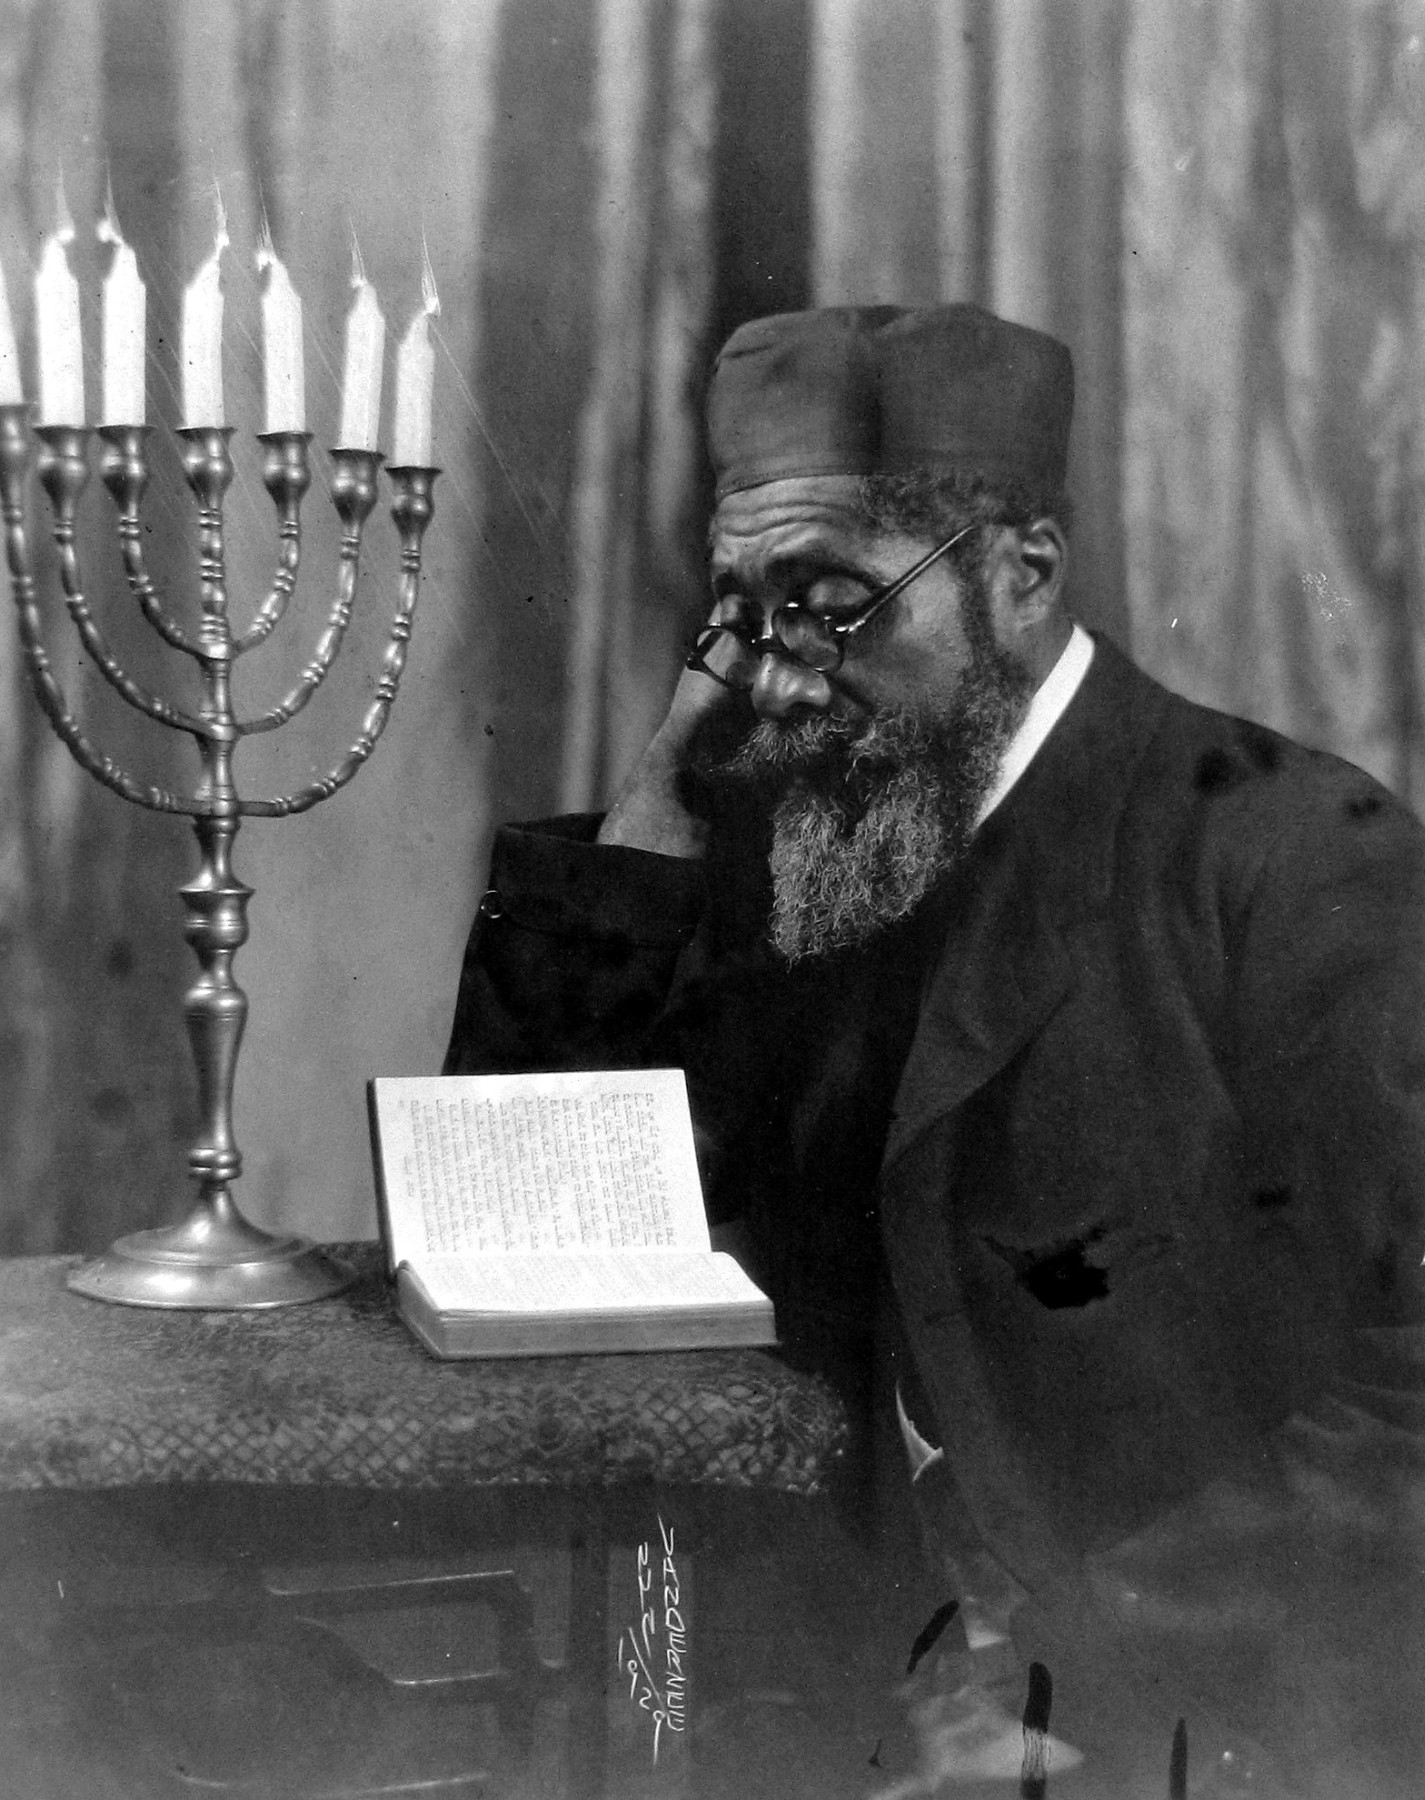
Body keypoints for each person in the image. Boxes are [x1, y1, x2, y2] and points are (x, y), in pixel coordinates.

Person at [444, 306, 1425, 1795]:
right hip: (839, 1701)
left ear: (1021, 576)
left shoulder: (1288, 854)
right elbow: (518, 1219)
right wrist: (660, 791)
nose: (773, 676)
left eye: (830, 607)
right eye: (739, 612)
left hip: (1204, 1708)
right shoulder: (803, 835)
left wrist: (1077, 1664)